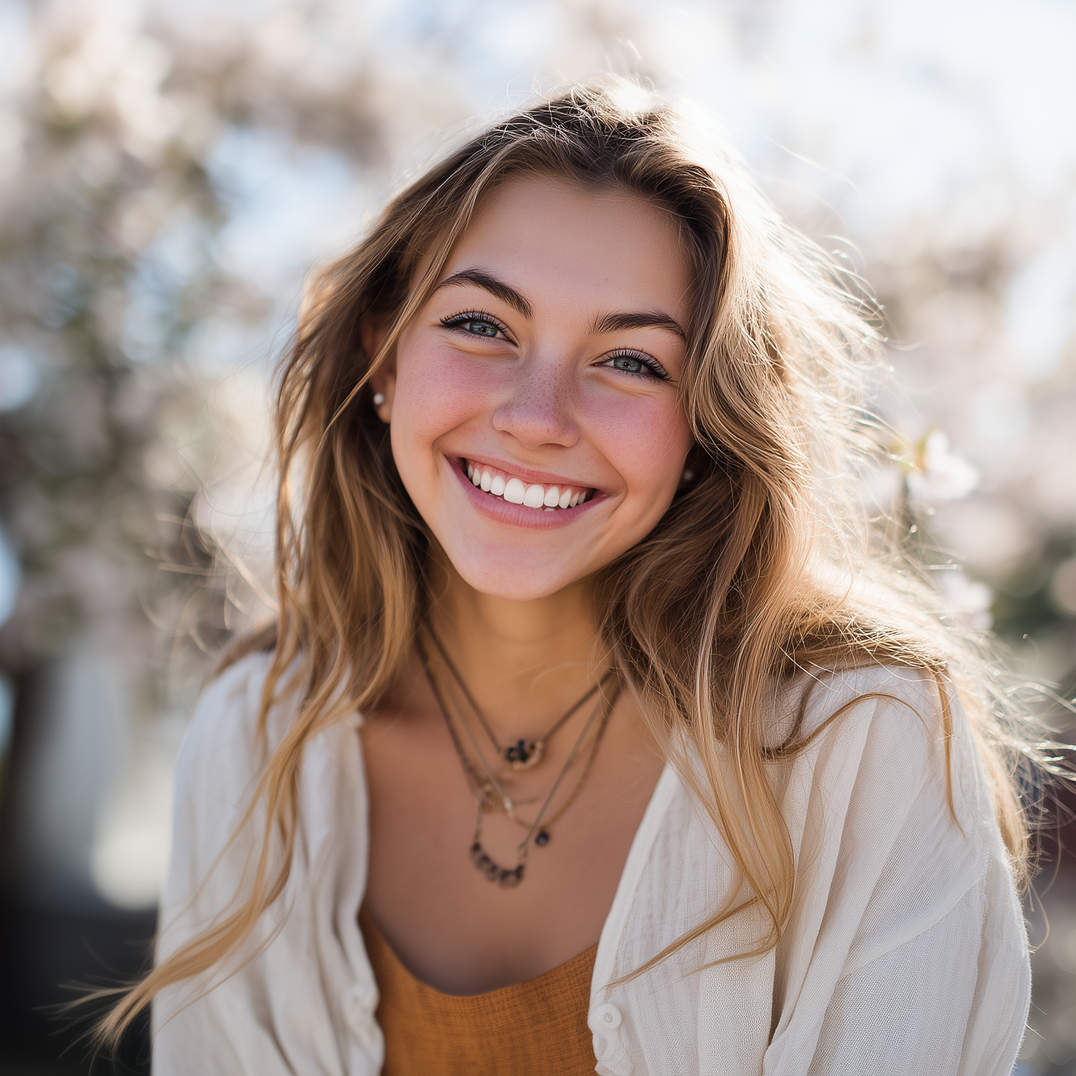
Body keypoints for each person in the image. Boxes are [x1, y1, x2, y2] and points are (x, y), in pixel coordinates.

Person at [115, 80, 1034, 1074]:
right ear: (383, 357)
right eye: (480, 326)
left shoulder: (861, 740)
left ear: (704, 420)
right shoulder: (259, 735)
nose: (537, 414)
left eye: (632, 361)